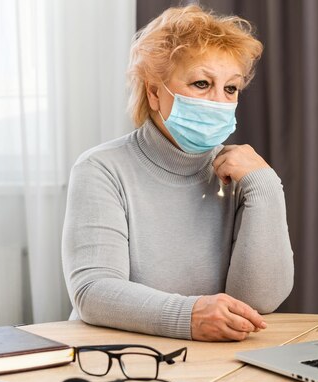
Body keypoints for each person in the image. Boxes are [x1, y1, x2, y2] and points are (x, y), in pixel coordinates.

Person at [61, 5, 294, 342]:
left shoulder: (243, 174)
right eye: (202, 83)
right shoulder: (101, 169)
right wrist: (188, 316)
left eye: (231, 89)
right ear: (154, 92)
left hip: (213, 360)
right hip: (117, 359)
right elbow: (93, 292)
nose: (218, 101)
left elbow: (258, 301)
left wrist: (266, 185)